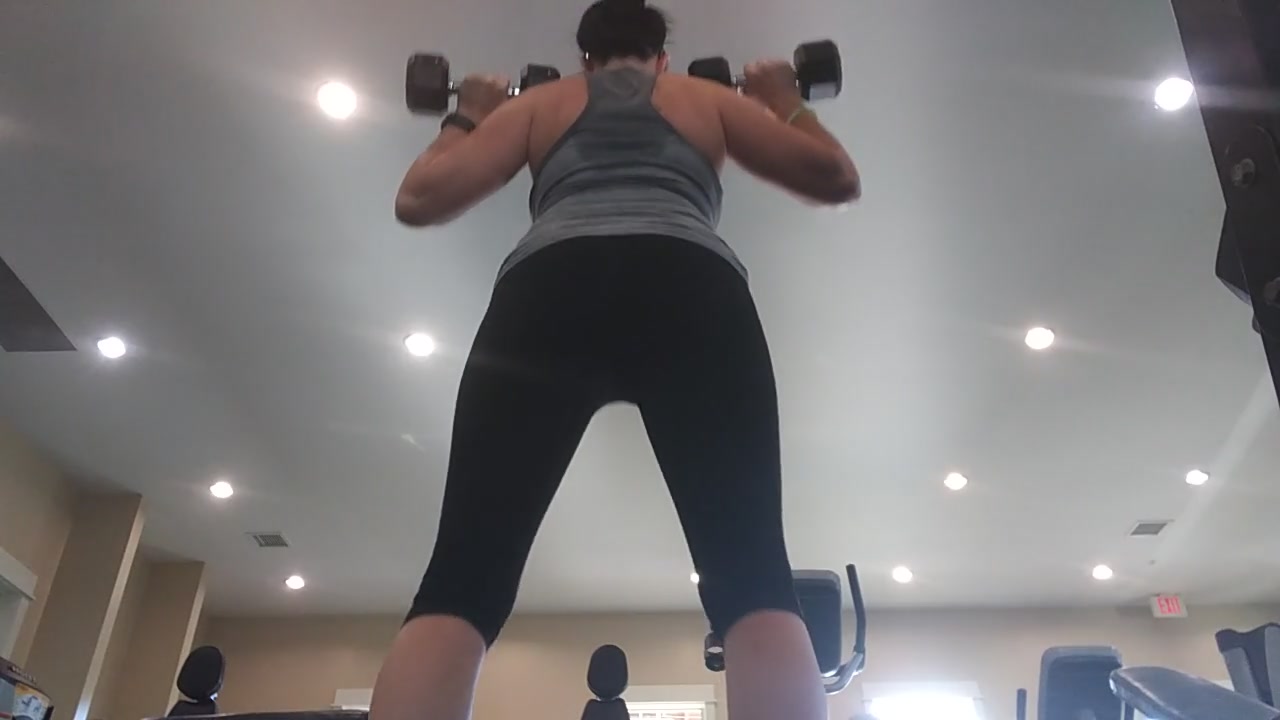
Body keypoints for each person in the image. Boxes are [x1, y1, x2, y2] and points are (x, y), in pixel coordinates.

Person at [371, 0, 860, 719]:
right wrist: (786, 100)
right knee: (753, 579)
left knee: (463, 579)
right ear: (663, 59)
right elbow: (835, 176)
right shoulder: (703, 99)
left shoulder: (540, 104)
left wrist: (467, 113)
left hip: (548, 290)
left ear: (583, 60)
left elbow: (418, 198)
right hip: (692, 286)